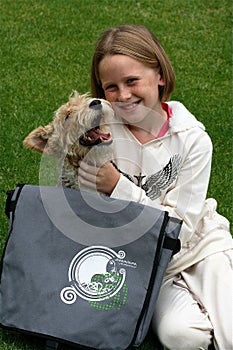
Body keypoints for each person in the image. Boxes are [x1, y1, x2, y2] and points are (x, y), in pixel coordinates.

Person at [78, 24, 233, 350]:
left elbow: (181, 230)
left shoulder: (193, 139)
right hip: (148, 263)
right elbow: (92, 215)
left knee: (230, 334)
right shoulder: (103, 134)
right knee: (183, 338)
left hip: (202, 249)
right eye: (111, 87)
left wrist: (118, 186)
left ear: (160, 75)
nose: (123, 95)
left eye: (132, 81)